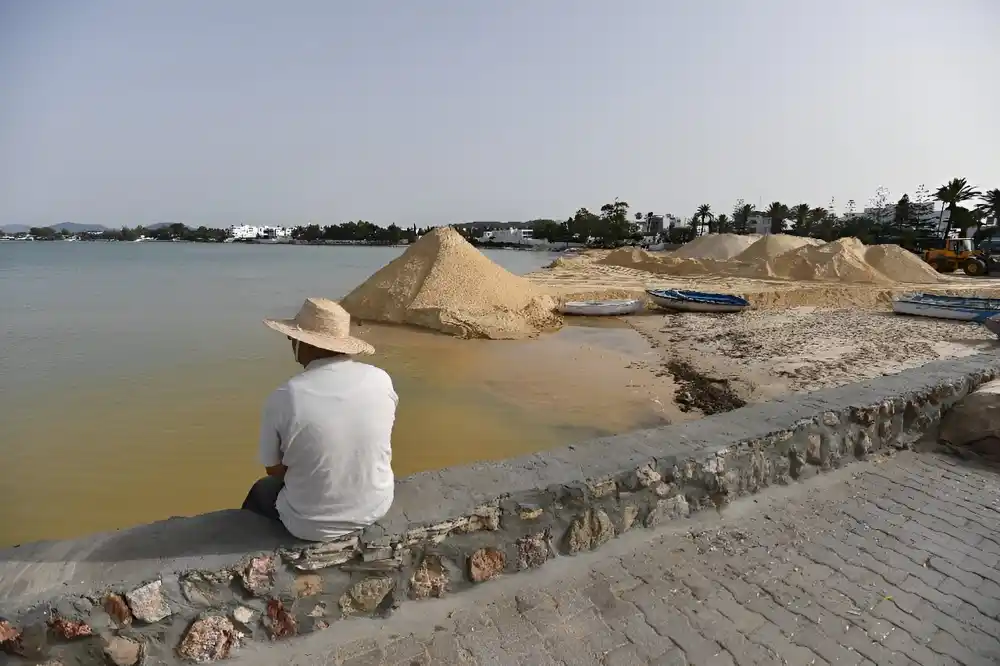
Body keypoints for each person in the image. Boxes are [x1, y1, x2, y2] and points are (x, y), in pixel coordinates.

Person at [242, 297, 397, 541]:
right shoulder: (380, 379)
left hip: (309, 525)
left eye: (294, 338)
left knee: (261, 490)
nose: (291, 341)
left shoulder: (286, 396)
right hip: (376, 506)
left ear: (307, 345)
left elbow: (273, 469)